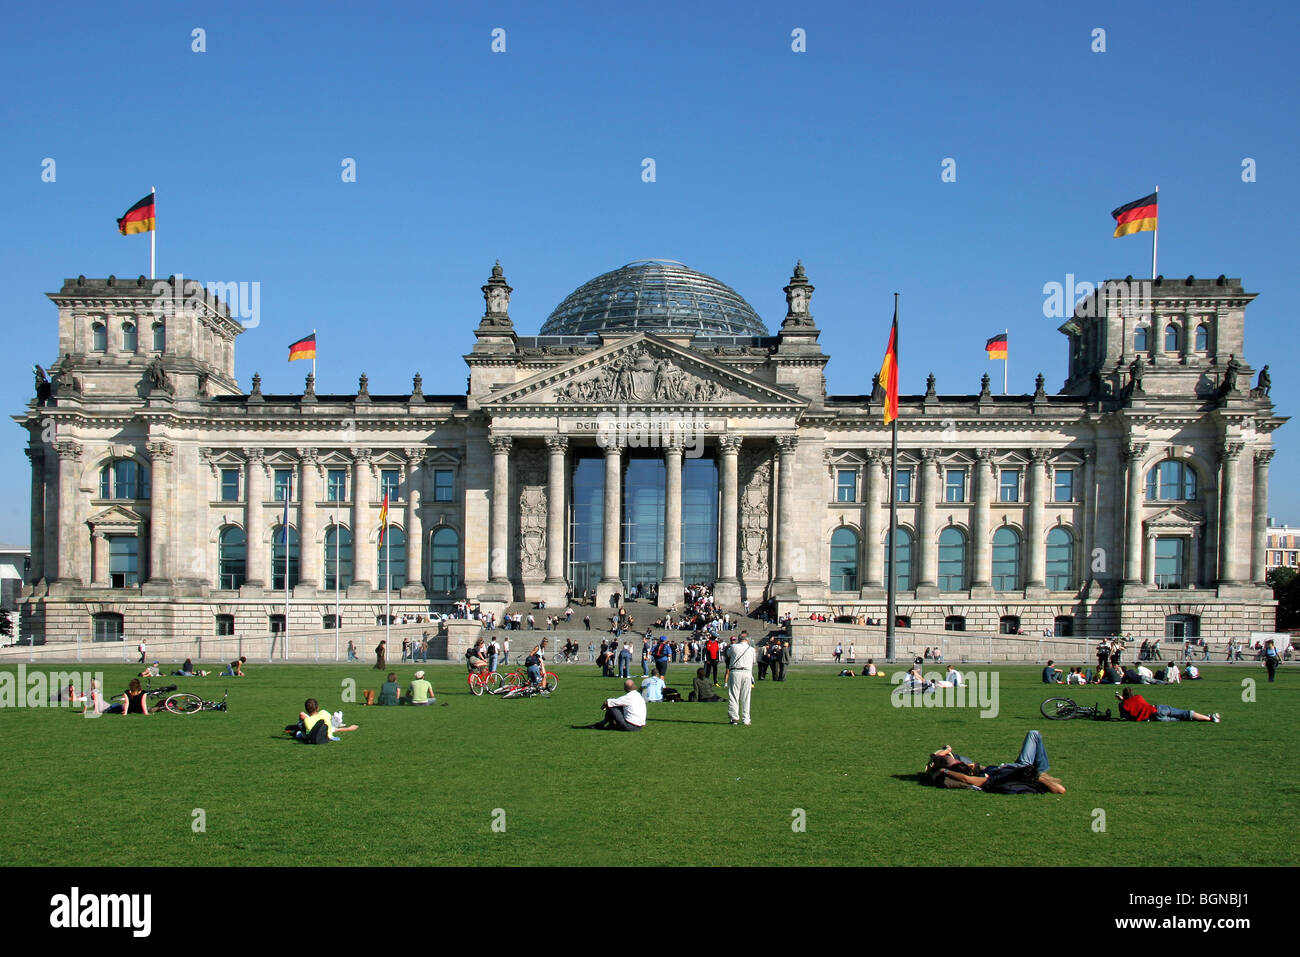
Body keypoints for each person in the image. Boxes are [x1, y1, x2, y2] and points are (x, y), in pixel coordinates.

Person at [926, 731, 1066, 794]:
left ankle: (1042, 768)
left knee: (940, 757)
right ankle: (1042, 768)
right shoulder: (1002, 778)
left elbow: (966, 778)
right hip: (1021, 767)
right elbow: (1060, 790)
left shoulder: (998, 779)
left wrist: (944, 771)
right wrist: (1039, 776)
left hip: (1019, 768)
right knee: (1033, 734)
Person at [1116, 687, 1219, 722]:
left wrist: (1122, 701)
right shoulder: (1139, 697)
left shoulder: (1123, 705)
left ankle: (1209, 718)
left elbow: (1126, 715)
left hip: (1153, 718)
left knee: (1181, 719)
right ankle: (1209, 718)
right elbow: (1135, 701)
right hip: (1157, 709)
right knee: (1185, 713)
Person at [285, 698, 358, 742]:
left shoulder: (307, 721)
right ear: (318, 707)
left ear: (307, 710)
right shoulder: (324, 712)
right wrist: (349, 728)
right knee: (332, 724)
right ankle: (337, 720)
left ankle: (293, 731)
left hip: (315, 735)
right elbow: (333, 728)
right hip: (327, 735)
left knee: (299, 728)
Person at [725, 631, 755, 725]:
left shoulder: (734, 647)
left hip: (735, 671)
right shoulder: (751, 649)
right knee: (746, 697)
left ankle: (734, 717)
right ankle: (746, 719)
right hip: (747, 672)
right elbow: (753, 661)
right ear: (747, 640)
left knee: (734, 695)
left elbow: (728, 654)